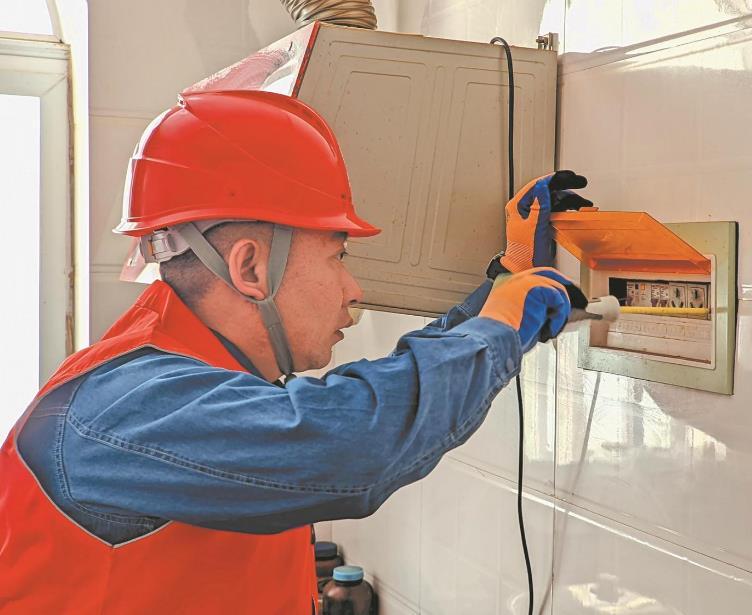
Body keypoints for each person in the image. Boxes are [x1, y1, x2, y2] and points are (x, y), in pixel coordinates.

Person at [0, 90, 588, 614]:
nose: (353, 290)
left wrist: (504, 283)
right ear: (251, 267)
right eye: (337, 257)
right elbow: (351, 442)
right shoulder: (125, 405)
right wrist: (497, 327)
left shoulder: (196, 380)